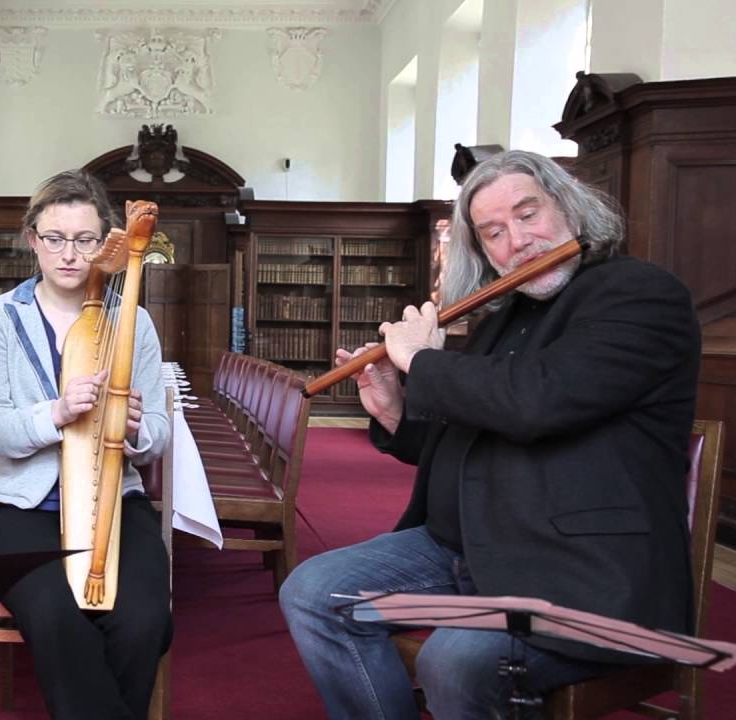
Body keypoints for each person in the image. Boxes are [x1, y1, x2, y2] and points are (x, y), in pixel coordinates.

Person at [279, 150, 701, 719]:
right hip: (469, 548)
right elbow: (474, 434)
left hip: (581, 571)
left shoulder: (639, 295)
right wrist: (396, 412)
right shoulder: (503, 317)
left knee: (457, 657)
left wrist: (424, 364)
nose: (519, 242)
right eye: (495, 232)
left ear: (570, 208)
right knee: (314, 592)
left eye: (529, 215)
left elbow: (536, 401)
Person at [0, 170, 172, 720]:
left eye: (84, 240)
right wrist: (56, 413)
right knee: (61, 618)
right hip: (20, 511)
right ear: (32, 238)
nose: (68, 254)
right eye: (54, 238)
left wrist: (132, 430)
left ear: (107, 242)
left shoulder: (134, 321)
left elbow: (157, 433)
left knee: (144, 618)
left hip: (116, 504)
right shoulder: (0, 317)